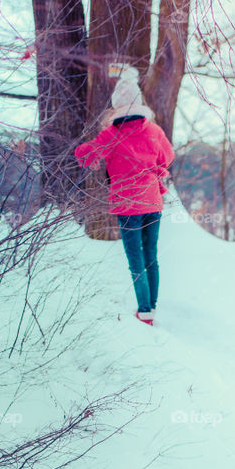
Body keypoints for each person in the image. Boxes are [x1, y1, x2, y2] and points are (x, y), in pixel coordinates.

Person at [75, 66, 174, 325]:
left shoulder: (111, 134)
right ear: (139, 103)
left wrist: (83, 150)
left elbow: (87, 155)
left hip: (128, 205)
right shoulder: (154, 131)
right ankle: (150, 308)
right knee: (151, 256)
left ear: (116, 106)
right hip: (152, 201)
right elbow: (168, 157)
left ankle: (145, 312)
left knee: (136, 260)